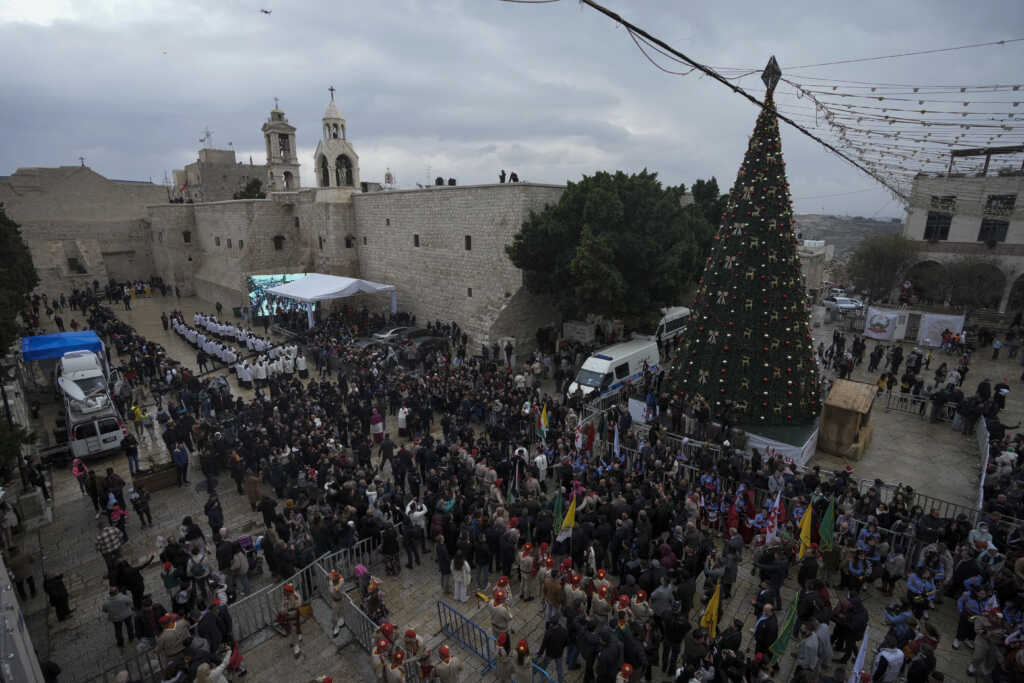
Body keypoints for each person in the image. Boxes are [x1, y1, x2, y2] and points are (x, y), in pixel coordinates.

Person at [536, 617, 568, 683]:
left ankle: (542, 677)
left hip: (549, 653)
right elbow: (567, 642)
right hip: (559, 653)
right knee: (560, 669)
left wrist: (540, 653)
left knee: (544, 665)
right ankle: (561, 681)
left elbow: (543, 645)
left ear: (552, 624)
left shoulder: (549, 633)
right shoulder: (564, 631)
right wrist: (561, 647)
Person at [280, 583, 303, 657]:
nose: (283, 592)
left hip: (293, 615)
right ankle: (294, 640)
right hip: (288, 616)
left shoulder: (295, 596)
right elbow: (282, 607)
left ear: (289, 591)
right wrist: (284, 609)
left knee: (294, 629)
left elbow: (298, 605)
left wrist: (288, 608)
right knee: (290, 629)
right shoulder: (285, 597)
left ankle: (296, 647)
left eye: (285, 591)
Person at [329, 570, 346, 637]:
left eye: (333, 576)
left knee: (340, 613)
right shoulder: (331, 580)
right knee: (334, 616)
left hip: (340, 599)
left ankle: (340, 623)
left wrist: (331, 583)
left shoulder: (341, 580)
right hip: (334, 601)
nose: (331, 577)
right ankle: (336, 627)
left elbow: (335, 589)